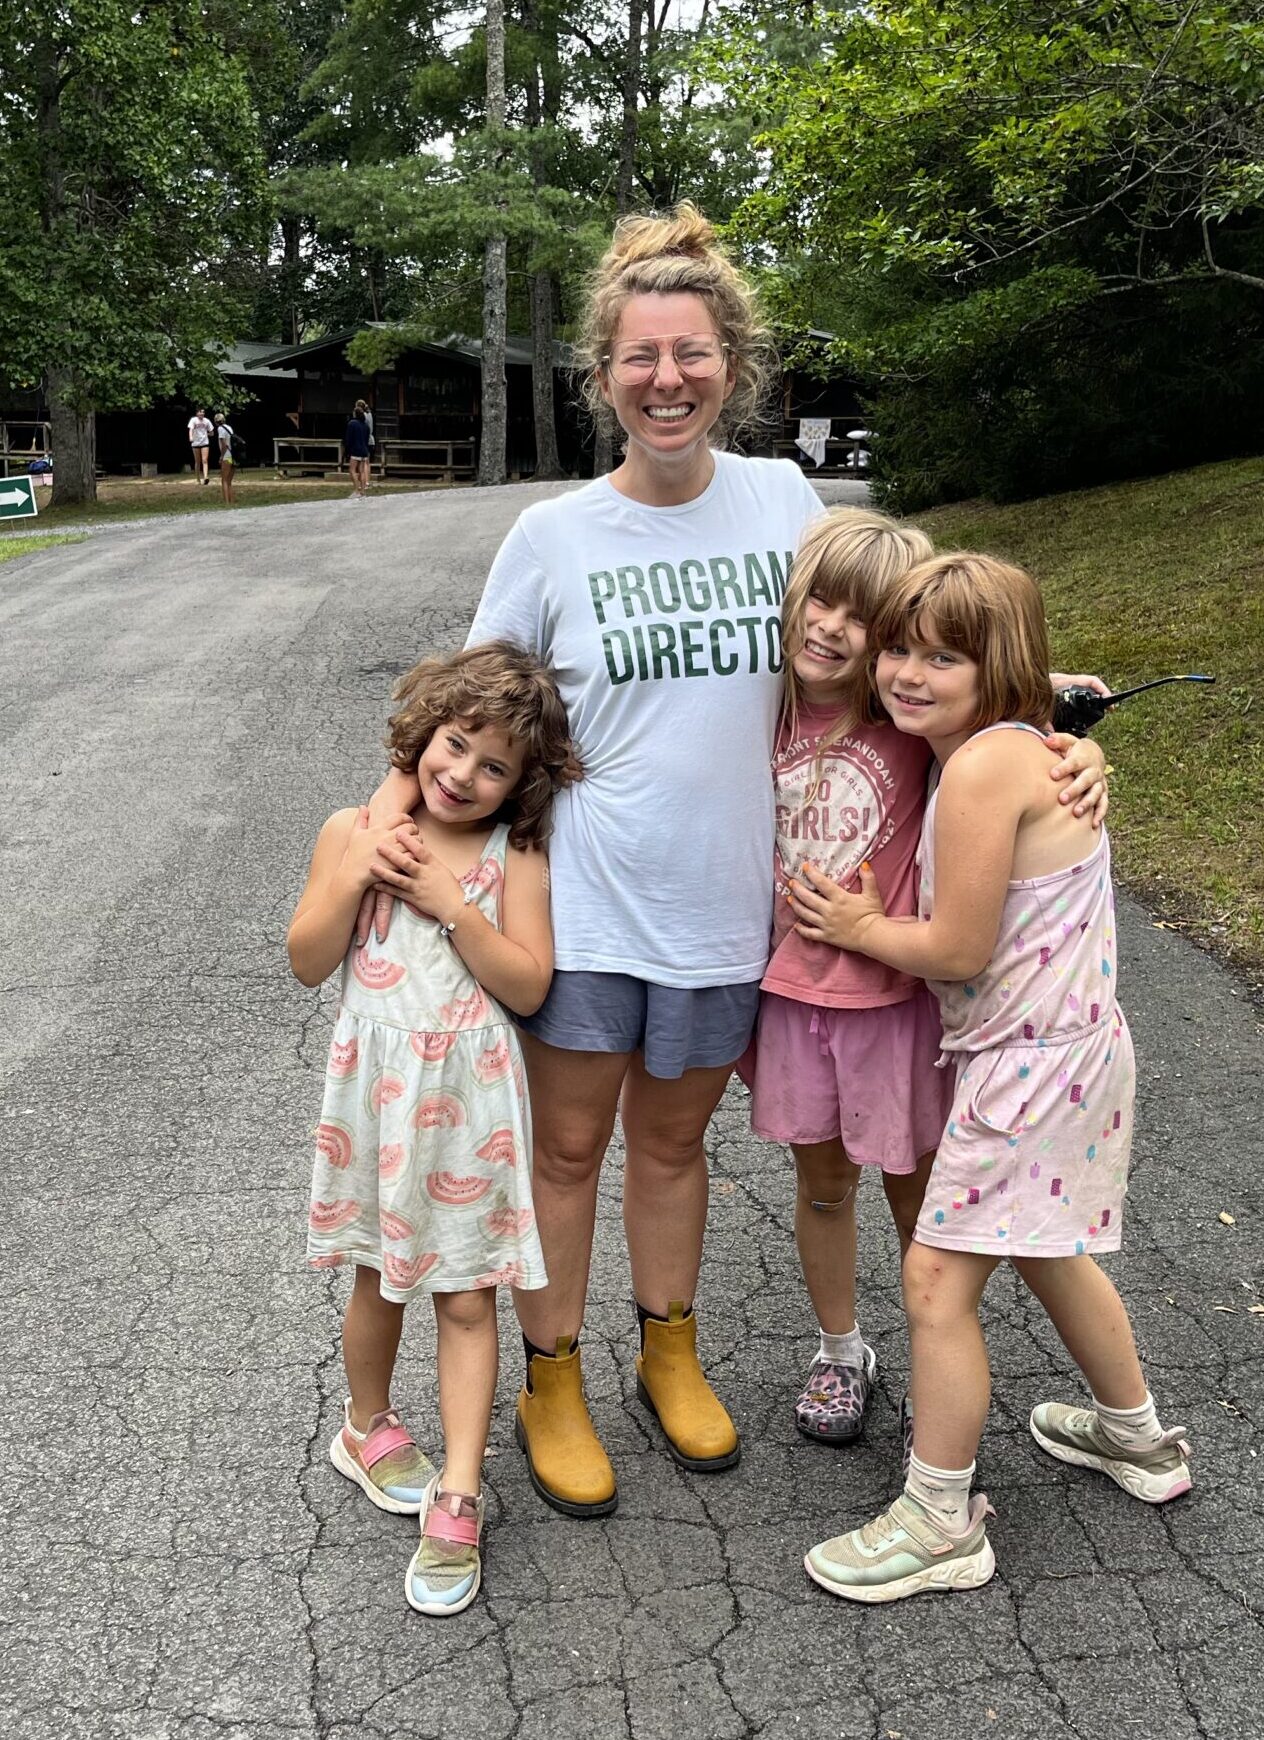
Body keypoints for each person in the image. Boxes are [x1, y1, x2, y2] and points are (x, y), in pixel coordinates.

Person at [362, 202, 826, 1517]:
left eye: (692, 353)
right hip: (578, 909)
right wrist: (381, 827)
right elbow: (464, 709)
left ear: (731, 363)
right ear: (603, 375)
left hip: (726, 904)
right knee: (565, 1156)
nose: (667, 379)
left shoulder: (786, 505)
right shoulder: (553, 538)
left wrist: (1031, 717)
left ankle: (668, 1355)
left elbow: (903, 643)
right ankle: (551, 1378)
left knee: (673, 1149)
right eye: (640, 357)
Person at [791, 552, 1190, 1605]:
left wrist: (857, 927)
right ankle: (1137, 1439)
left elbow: (958, 948)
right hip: (1075, 1047)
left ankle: (939, 1520)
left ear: (994, 667)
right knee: (1047, 1250)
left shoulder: (978, 771)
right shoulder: (1018, 746)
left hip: (1026, 1066)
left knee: (934, 1281)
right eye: (897, 650)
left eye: (941, 659)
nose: (906, 675)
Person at [740, 510, 1109, 1447]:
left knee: (918, 1195)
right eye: (819, 601)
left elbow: (1008, 693)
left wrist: (1081, 742)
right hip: (793, 993)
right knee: (822, 1183)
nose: (832, 630)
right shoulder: (762, 705)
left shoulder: (903, 719)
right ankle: (839, 1351)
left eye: (863, 620)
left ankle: (932, 1374)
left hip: (899, 1002)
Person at [288, 642, 580, 1615]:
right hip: (376, 1100)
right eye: (455, 744)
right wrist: (356, 873)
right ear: (424, 733)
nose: (463, 774)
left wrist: (453, 907)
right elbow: (306, 959)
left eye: (494, 766)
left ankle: (458, 1491)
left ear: (520, 784)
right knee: (377, 1277)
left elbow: (529, 985)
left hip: (470, 1109)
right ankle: (365, 1425)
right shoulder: (356, 830)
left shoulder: (513, 856)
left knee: (465, 1296)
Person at [346, 407, 372, 497]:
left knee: (352, 470)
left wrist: (347, 450)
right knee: (362, 471)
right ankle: (363, 492)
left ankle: (357, 490)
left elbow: (349, 438)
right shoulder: (366, 426)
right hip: (364, 450)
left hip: (355, 450)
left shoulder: (352, 423)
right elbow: (366, 439)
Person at [213, 414, 236, 505]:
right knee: (229, 481)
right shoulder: (229, 428)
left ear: (216, 422)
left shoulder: (220, 429)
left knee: (224, 480)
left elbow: (224, 445)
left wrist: (221, 457)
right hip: (233, 456)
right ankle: (232, 501)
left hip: (227, 456)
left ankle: (226, 502)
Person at [187, 408, 213, 483]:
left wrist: (207, 434)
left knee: (205, 460)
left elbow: (212, 432)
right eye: (200, 412)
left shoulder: (207, 421)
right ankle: (198, 479)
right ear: (197, 413)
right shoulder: (193, 420)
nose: (202, 413)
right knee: (197, 461)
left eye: (203, 412)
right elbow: (191, 429)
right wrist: (191, 437)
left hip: (205, 442)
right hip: (195, 443)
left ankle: (205, 477)